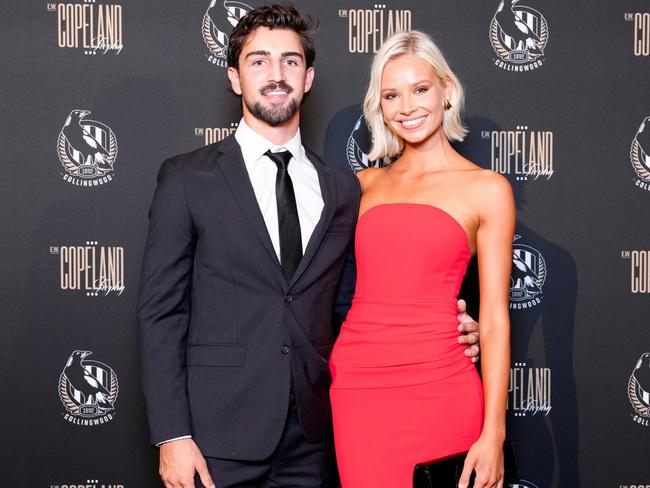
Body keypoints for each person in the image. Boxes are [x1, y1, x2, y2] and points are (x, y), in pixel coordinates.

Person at [138, 6, 480, 488]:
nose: (276, 75)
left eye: (290, 61)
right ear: (235, 78)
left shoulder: (343, 187)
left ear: (309, 76)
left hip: (315, 436)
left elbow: (357, 302)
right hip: (215, 440)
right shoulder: (187, 177)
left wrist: (450, 329)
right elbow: (161, 313)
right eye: (259, 62)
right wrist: (172, 436)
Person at [329, 30, 514, 488]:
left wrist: (494, 434)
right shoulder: (363, 186)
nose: (407, 107)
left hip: (440, 384)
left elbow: (492, 318)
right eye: (392, 94)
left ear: (446, 90)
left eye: (420, 89)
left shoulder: (487, 189)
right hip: (358, 388)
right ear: (379, 105)